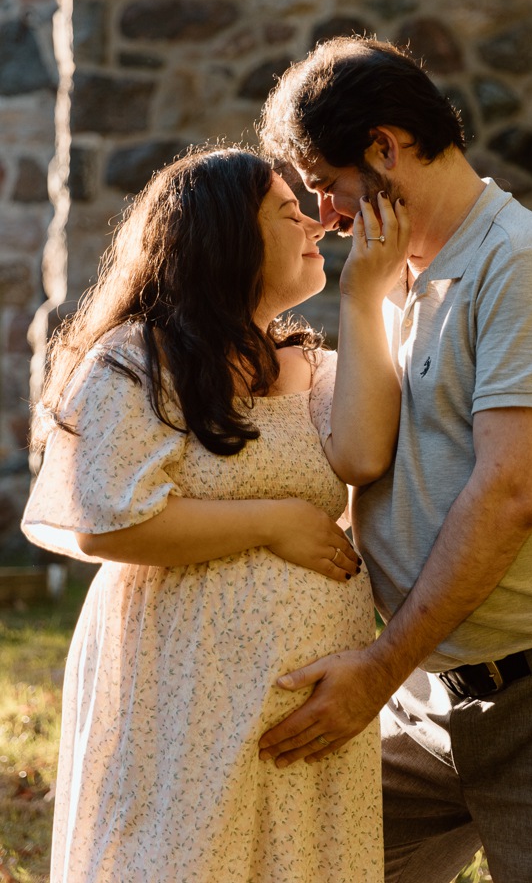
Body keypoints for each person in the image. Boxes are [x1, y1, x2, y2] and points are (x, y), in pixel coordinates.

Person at [256, 37, 532, 883]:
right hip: (430, 699)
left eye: (328, 184)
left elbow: (510, 494)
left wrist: (376, 669)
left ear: (385, 147)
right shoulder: (396, 281)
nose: (328, 216)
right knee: (291, 860)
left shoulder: (524, 266)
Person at [22, 143, 409, 883]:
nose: (317, 225)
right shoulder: (139, 359)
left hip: (305, 701)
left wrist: (366, 296)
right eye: (290, 211)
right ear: (227, 234)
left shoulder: (315, 367)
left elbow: (361, 458)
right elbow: (105, 522)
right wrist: (273, 521)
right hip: (182, 692)